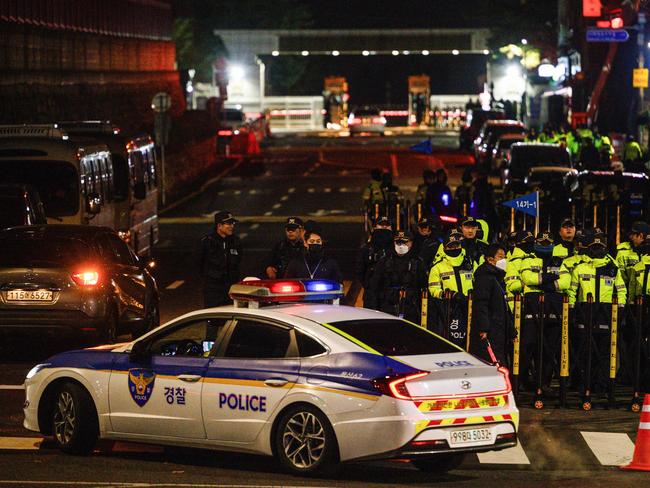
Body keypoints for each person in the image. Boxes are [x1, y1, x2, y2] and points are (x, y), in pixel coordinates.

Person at [567, 231, 626, 397]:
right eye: (594, 247)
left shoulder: (613, 268)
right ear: (589, 248)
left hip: (606, 311)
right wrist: (571, 309)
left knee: (605, 351)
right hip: (585, 311)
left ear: (605, 248)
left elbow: (621, 289)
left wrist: (620, 308)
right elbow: (572, 290)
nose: (597, 250)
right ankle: (585, 384)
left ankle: (601, 385)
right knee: (585, 351)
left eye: (600, 247)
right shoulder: (580, 267)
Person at [519, 232, 569, 394]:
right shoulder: (528, 260)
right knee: (528, 346)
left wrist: (542, 284)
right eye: (542, 241)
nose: (545, 244)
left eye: (548, 241)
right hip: (532, 308)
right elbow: (527, 278)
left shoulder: (559, 261)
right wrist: (550, 279)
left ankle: (544, 383)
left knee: (550, 348)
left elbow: (566, 281)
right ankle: (523, 381)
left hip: (553, 308)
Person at [428, 231, 476, 347]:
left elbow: (477, 282)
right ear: (444, 248)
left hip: (470, 306)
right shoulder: (437, 267)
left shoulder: (470, 262)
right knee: (452, 340)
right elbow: (433, 289)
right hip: (449, 308)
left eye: (457, 245)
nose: (454, 248)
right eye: (451, 246)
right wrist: (449, 295)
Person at [470, 243, 514, 365]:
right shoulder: (485, 277)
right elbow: (481, 304)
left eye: (504, 257)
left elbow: (503, 307)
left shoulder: (497, 278)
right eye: (500, 257)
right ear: (490, 259)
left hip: (498, 328)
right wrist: (483, 328)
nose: (503, 260)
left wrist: (511, 330)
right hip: (491, 330)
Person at [368, 230, 427, 323]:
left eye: (404, 242)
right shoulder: (384, 261)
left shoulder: (417, 262)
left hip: (411, 310)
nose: (401, 245)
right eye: (398, 242)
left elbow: (424, 286)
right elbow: (374, 287)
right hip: (388, 309)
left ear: (411, 243)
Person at [198, 210, 242, 307]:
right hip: (213, 290)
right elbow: (198, 263)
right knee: (214, 318)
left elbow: (238, 261)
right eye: (228, 223)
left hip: (231, 289)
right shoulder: (207, 242)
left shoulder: (235, 241)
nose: (232, 226)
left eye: (233, 223)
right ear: (219, 226)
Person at [627, 235, 650, 391]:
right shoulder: (639, 266)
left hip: (641, 305)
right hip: (642, 304)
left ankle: (640, 381)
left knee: (641, 343)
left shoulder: (638, 266)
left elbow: (632, 291)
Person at [356, 217, 393, 309]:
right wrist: (368, 284)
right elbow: (359, 270)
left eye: (387, 225)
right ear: (374, 227)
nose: (384, 227)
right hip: (371, 293)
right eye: (381, 225)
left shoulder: (395, 247)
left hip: (390, 294)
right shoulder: (367, 249)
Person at [505, 230, 535, 311]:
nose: (531, 245)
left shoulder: (535, 259)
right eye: (528, 242)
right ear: (519, 244)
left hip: (533, 304)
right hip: (515, 306)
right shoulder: (511, 261)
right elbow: (512, 286)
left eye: (532, 242)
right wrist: (532, 281)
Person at [616, 221, 649, 288]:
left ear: (641, 236)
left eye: (633, 234)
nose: (630, 237)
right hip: (629, 294)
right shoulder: (623, 252)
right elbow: (620, 278)